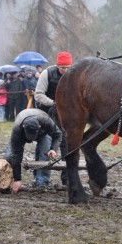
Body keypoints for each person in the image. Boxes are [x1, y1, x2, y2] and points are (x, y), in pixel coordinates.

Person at [34, 51, 73, 185]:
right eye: (63, 67)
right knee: (45, 143)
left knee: (66, 144)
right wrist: (53, 102)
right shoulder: (47, 73)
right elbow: (38, 95)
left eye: (68, 67)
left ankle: (67, 178)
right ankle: (39, 177)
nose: (66, 70)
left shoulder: (74, 75)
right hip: (46, 112)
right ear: (57, 66)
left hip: (64, 114)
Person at [5, 108, 62, 193]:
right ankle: (7, 181)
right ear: (24, 127)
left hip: (43, 133)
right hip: (22, 130)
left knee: (45, 154)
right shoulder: (17, 128)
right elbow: (16, 155)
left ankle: (41, 183)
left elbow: (58, 134)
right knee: (9, 156)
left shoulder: (47, 122)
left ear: (39, 126)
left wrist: (53, 149)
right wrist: (18, 179)